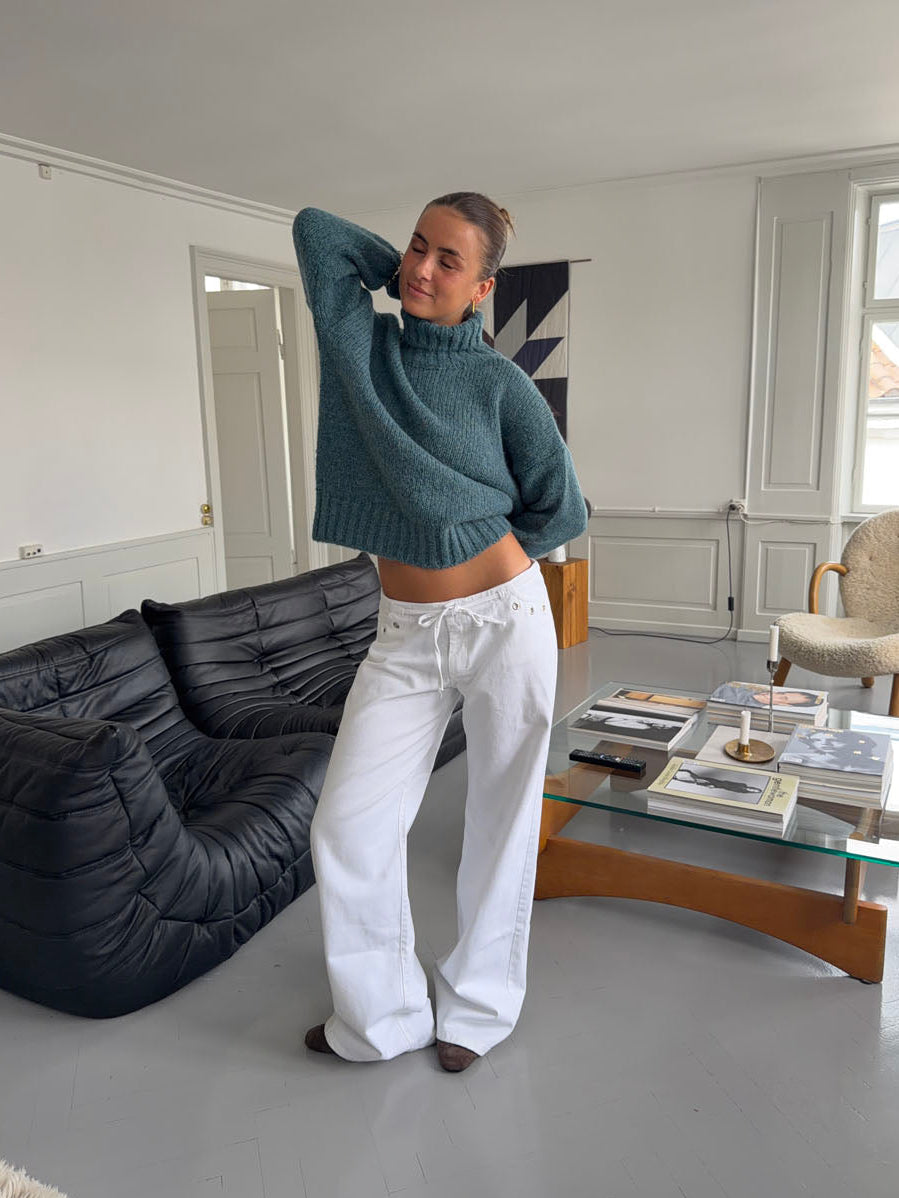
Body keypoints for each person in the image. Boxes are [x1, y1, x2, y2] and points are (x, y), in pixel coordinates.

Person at [291, 194, 587, 1072]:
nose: (421, 268)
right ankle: (378, 1019)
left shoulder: (500, 385)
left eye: (448, 260)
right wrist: (401, 272)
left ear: (483, 288)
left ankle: (477, 1011)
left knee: (501, 816)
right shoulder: (363, 345)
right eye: (417, 247)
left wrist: (479, 548)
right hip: (404, 631)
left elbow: (561, 506)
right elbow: (315, 232)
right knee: (347, 824)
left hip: (504, 616)